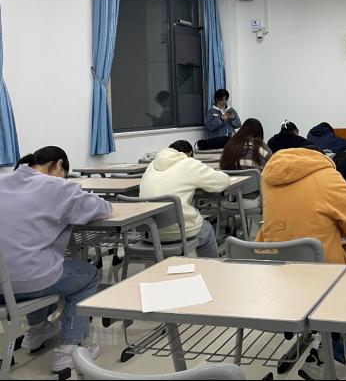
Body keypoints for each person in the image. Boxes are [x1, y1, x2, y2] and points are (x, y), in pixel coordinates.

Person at [0, 146, 112, 373]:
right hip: (27, 280)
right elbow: (102, 209)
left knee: (36, 261)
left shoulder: (3, 181)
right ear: (59, 164)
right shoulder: (57, 186)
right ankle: (70, 349)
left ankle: (37, 330)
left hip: (2, 285)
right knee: (87, 275)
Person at [257, 147, 346, 264]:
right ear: (321, 158)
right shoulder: (328, 176)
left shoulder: (267, 180)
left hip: (275, 264)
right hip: (326, 266)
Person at [139, 140, 233, 258]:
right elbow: (222, 182)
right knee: (207, 229)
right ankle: (210, 266)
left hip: (149, 231)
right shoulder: (188, 163)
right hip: (179, 231)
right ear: (189, 153)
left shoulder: (151, 165)